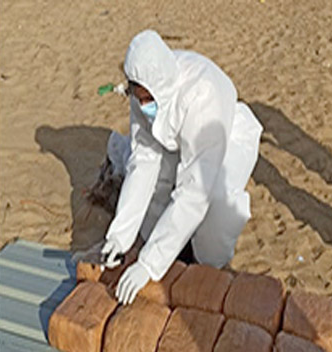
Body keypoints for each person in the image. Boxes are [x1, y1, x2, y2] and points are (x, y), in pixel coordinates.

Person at [93, 29, 262, 305]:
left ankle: (202, 262)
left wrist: (149, 264)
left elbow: (194, 193)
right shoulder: (143, 92)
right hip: (174, 140)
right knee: (152, 221)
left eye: (148, 99)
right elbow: (143, 161)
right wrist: (120, 237)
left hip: (225, 138)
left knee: (215, 223)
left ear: (161, 87)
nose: (143, 105)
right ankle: (165, 246)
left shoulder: (202, 98)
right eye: (139, 97)